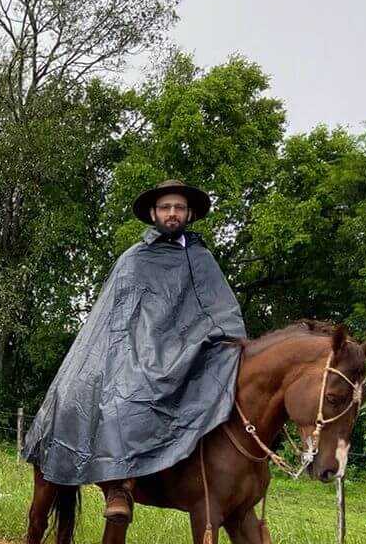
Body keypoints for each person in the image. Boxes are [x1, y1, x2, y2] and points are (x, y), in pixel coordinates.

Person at [23, 178, 244, 522]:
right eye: (166, 207)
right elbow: (118, 318)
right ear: (154, 213)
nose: (172, 214)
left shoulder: (203, 260)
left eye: (179, 208)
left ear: (189, 214)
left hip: (186, 353)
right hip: (133, 351)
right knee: (123, 399)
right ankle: (119, 485)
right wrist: (142, 351)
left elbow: (223, 313)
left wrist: (223, 343)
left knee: (232, 375)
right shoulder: (134, 259)